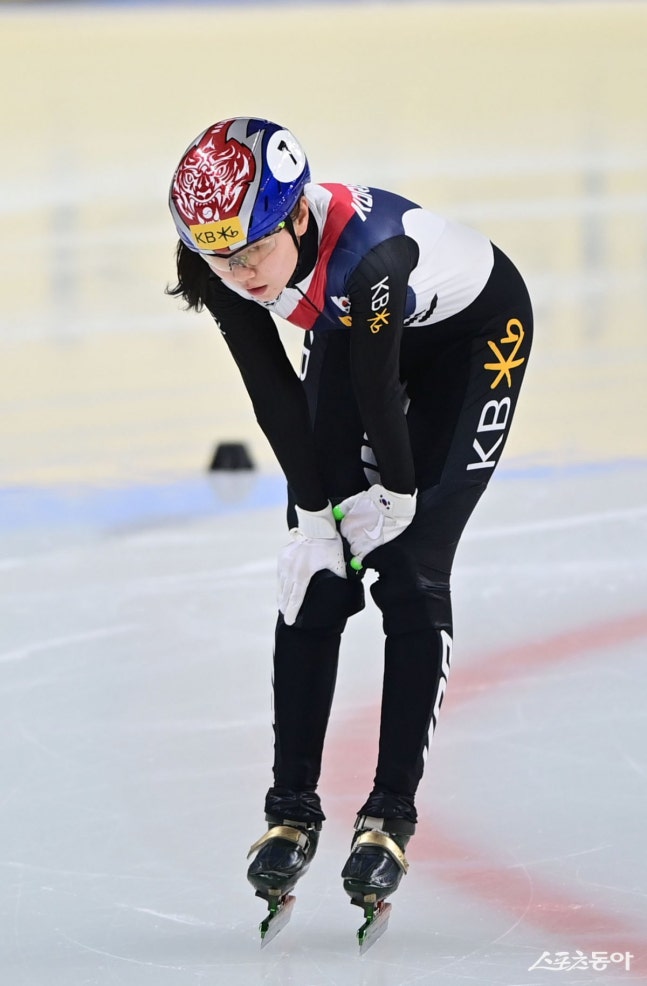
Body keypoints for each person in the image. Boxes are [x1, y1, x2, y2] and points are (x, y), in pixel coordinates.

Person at [167, 117, 532, 923]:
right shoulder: (217, 247)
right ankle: (290, 809)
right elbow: (272, 391)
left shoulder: (366, 255)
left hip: (471, 342)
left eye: (253, 251)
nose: (240, 273)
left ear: (298, 215)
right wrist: (310, 513)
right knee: (317, 572)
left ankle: (389, 814)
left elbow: (376, 390)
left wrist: (395, 498)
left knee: (408, 565)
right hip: (352, 331)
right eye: (220, 259)